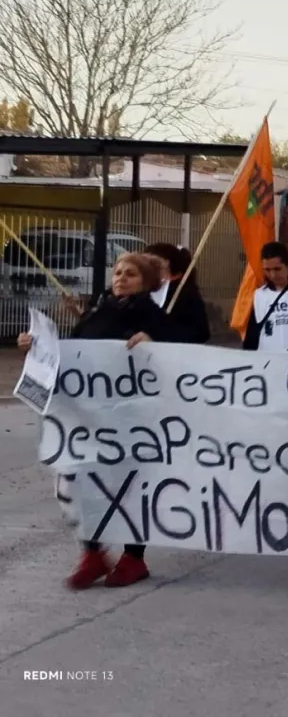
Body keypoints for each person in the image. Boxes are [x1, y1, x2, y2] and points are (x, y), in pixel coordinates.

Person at [17, 253, 177, 590]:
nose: (121, 278)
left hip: (131, 417)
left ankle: (134, 558)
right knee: (76, 480)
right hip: (87, 417)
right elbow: (68, 352)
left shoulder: (152, 314)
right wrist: (35, 346)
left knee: (129, 486)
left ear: (146, 282)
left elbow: (185, 347)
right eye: (117, 272)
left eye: (130, 274)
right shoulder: (99, 311)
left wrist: (153, 342)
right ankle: (93, 552)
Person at [144, 242, 211, 344]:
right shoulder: (143, 292)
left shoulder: (186, 294)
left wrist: (160, 336)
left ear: (164, 263)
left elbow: (200, 332)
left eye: (147, 261)